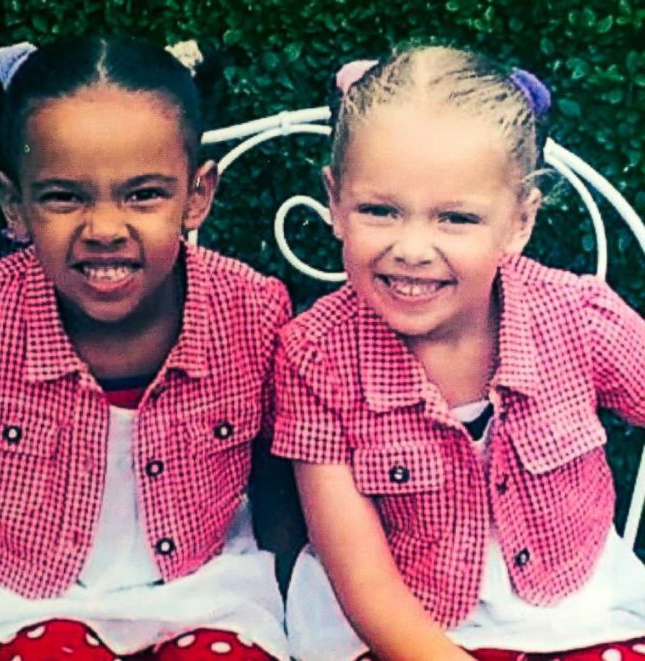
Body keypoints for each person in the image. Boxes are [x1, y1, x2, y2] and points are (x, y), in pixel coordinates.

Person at [0, 35, 294, 661]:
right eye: (64, 196)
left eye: (143, 194)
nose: (105, 230)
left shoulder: (251, 313)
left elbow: (282, 489)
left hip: (203, 591)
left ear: (197, 195)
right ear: (15, 205)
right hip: (12, 602)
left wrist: (299, 624)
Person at [273, 44, 645, 661]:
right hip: (397, 630)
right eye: (380, 210)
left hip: (576, 612)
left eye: (457, 219)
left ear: (519, 222)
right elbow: (364, 585)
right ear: (335, 202)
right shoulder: (315, 354)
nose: (413, 248)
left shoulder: (574, 318)